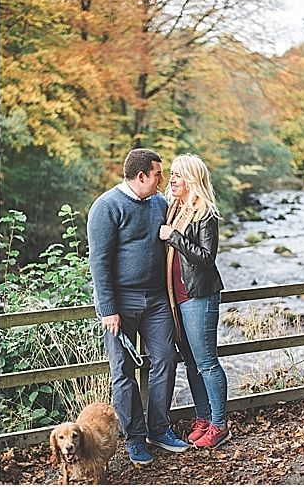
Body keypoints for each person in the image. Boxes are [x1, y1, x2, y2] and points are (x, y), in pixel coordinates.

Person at [89, 148, 191, 467]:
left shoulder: (160, 203)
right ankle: (134, 438)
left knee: (166, 359)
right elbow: (99, 262)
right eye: (159, 174)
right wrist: (108, 309)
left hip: (157, 300)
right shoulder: (106, 207)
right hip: (121, 303)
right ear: (142, 176)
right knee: (122, 371)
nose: (163, 180)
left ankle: (159, 429)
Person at [158, 154, 231, 448]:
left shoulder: (205, 214)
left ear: (192, 179)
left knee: (207, 363)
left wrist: (174, 236)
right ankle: (203, 418)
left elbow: (205, 258)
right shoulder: (173, 208)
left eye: (178, 175)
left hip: (199, 295)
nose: (172, 179)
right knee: (190, 362)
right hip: (178, 298)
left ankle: (219, 424)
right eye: (171, 174)